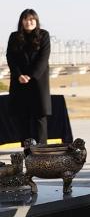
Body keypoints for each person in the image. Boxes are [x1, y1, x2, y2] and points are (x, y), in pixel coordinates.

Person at [6, 9, 51, 144]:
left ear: (36, 21)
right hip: (20, 82)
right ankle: (27, 149)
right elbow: (10, 57)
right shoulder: (14, 36)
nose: (28, 22)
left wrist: (30, 76)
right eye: (25, 19)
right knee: (22, 116)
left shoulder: (43, 35)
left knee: (39, 117)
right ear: (21, 21)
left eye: (31, 19)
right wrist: (19, 75)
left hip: (38, 82)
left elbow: (43, 58)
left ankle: (41, 149)